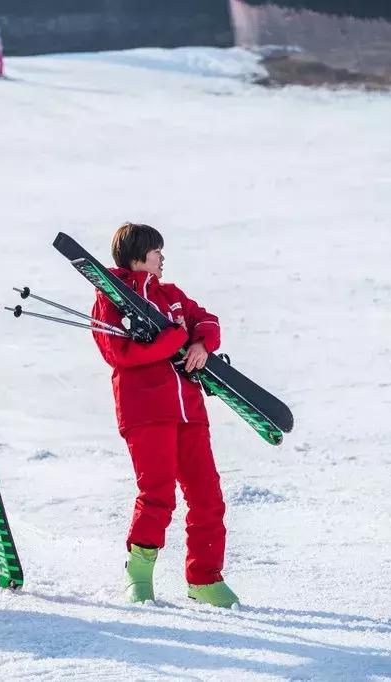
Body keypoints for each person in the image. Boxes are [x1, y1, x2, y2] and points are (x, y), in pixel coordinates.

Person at [90, 222, 238, 608]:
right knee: (157, 493)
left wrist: (201, 344)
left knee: (207, 495)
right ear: (138, 256)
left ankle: (205, 579)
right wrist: (173, 340)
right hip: (145, 410)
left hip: (190, 410)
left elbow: (206, 320)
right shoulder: (110, 298)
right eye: (157, 252)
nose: (162, 258)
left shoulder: (170, 295)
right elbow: (118, 353)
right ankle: (138, 573)